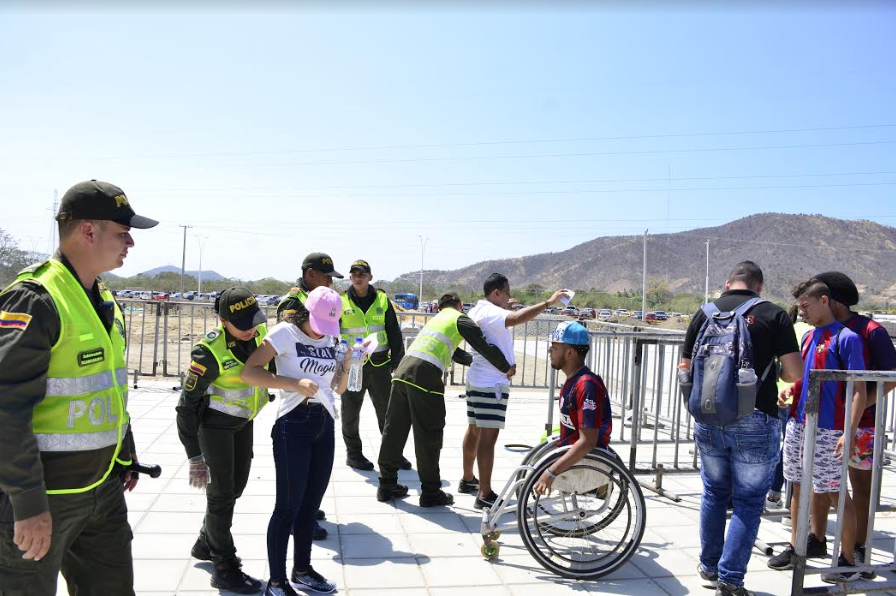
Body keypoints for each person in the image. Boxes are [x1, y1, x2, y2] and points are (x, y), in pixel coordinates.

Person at [0, 180, 157, 595]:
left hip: (102, 488)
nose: (131, 243)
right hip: (44, 496)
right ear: (88, 231)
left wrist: (124, 445)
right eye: (123, 232)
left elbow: (107, 386)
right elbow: (6, 409)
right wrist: (29, 505)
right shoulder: (36, 299)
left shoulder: (101, 296)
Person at [682, 261, 802, 596]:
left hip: (708, 417)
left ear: (727, 283)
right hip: (755, 417)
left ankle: (709, 566)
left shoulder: (705, 312)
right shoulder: (773, 314)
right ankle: (730, 580)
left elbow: (686, 366)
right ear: (759, 287)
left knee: (714, 493)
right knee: (748, 502)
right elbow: (793, 373)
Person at [242, 287, 355, 596]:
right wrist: (292, 383)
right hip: (294, 424)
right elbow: (249, 372)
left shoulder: (331, 339)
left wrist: (347, 363)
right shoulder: (284, 334)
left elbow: (338, 388)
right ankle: (276, 583)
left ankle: (302, 571)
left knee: (310, 506)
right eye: (320, 323)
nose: (324, 331)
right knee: (287, 508)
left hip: (324, 423)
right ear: (308, 312)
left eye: (329, 325)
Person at [768, 278, 867, 584]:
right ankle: (798, 547)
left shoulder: (847, 338)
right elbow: (807, 377)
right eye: (800, 308)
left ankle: (848, 559)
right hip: (800, 422)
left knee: (835, 492)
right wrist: (791, 392)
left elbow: (858, 390)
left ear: (824, 301)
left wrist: (848, 432)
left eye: (806, 306)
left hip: (829, 428)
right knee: (797, 485)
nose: (803, 313)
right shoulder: (809, 337)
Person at [376, 291, 514, 507]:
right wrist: (506, 367)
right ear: (460, 304)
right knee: (428, 434)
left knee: (394, 430)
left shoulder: (437, 320)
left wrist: (473, 362)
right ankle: (430, 492)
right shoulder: (460, 318)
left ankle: (386, 485)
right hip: (424, 376)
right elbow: (482, 345)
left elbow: (454, 351)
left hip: (402, 372)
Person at [175, 287, 271, 593]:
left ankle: (206, 542)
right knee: (220, 496)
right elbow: (185, 407)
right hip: (215, 427)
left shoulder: (259, 335)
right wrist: (194, 457)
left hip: (243, 423)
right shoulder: (208, 352)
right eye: (242, 323)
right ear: (223, 320)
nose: (251, 328)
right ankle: (225, 567)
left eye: (254, 320)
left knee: (236, 488)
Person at [808, 272, 896, 578]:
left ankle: (858, 546)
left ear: (831, 300)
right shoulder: (822, 330)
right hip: (824, 422)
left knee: (859, 486)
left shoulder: (871, 330)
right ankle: (816, 538)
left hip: (863, 425)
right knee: (820, 482)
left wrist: (856, 412)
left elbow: (889, 379)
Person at [460, 273, 569, 509]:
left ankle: (468, 479)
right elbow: (517, 318)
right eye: (507, 292)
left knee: (474, 430)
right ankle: (485, 494)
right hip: (492, 385)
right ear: (496, 293)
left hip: (477, 380)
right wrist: (548, 303)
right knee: (488, 439)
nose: (510, 297)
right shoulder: (491, 312)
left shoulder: (478, 310)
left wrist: (505, 306)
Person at [276, 251, 342, 539]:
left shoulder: (320, 300)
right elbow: (294, 344)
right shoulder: (294, 302)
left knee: (314, 468)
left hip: (319, 393)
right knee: (298, 467)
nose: (330, 283)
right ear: (310, 274)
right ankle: (302, 520)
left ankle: (308, 510)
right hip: (297, 396)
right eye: (326, 277)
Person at [338, 260, 409, 471]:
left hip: (379, 365)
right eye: (354, 274)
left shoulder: (382, 300)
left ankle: (393, 454)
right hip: (352, 366)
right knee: (350, 412)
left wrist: (398, 361)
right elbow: (332, 333)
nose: (358, 277)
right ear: (350, 277)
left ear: (370, 277)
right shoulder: (340, 301)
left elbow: (394, 332)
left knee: (387, 412)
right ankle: (354, 454)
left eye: (362, 274)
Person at [533, 321, 613, 495]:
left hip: (584, 461)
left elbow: (587, 441)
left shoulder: (586, 385)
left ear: (569, 352)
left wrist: (550, 472)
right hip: (569, 450)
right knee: (529, 468)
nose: (549, 351)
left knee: (533, 475)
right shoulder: (574, 381)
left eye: (554, 347)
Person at [767, 304, 813, 511]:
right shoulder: (812, 331)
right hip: (799, 395)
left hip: (780, 392)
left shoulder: (789, 328)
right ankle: (791, 503)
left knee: (786, 448)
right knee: (796, 451)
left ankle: (775, 494)